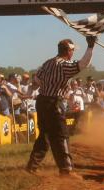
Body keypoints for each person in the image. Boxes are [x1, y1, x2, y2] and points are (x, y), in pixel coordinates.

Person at [26, 36, 96, 176]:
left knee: (45, 135)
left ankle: (32, 166)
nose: (73, 53)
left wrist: (49, 85)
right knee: (61, 135)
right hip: (54, 102)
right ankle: (66, 169)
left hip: (42, 101)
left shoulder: (47, 63)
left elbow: (37, 80)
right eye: (72, 51)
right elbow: (83, 64)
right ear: (68, 51)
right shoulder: (64, 65)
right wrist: (90, 47)